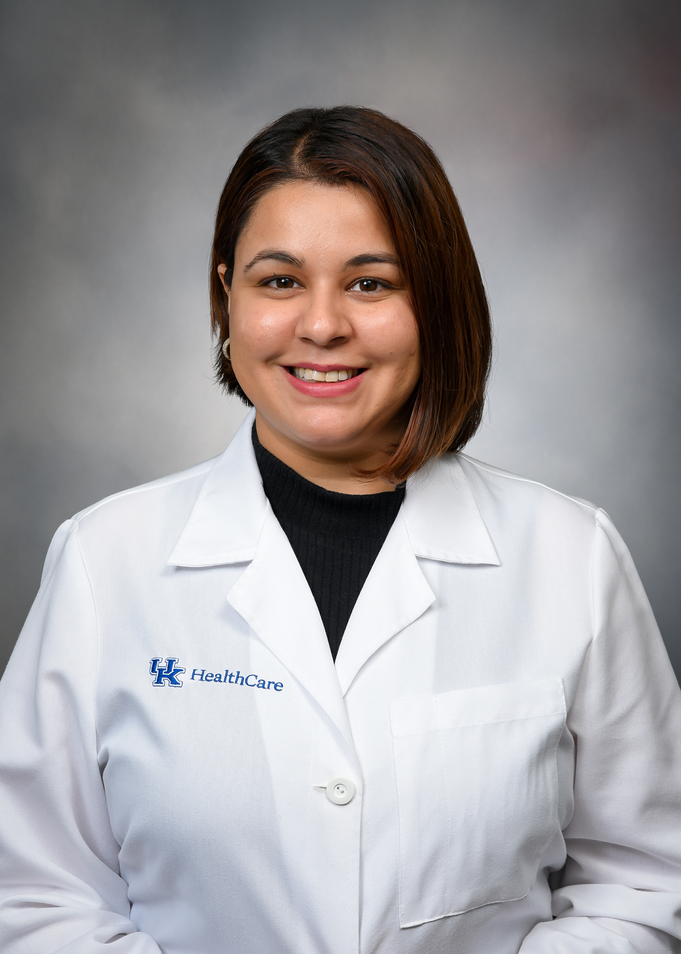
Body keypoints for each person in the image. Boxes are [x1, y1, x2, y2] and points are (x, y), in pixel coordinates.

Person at [0, 105, 679, 954]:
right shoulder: (105, 561)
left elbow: (645, 881)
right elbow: (35, 894)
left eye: (370, 282)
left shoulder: (569, 556)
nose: (321, 325)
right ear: (226, 295)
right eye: (279, 280)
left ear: (435, 301)